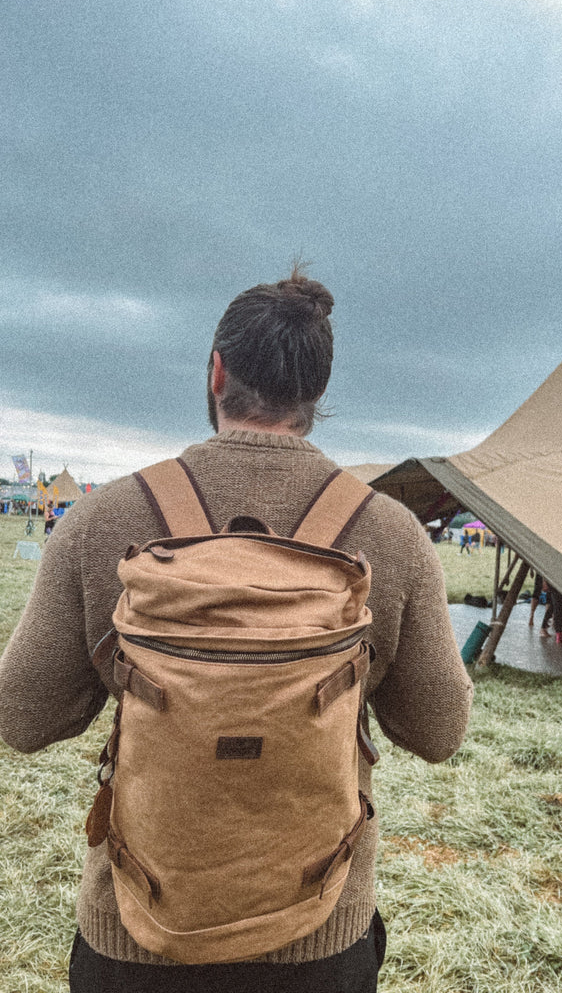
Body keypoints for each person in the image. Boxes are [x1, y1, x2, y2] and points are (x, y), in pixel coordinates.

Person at [0, 269, 474, 993]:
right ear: (316, 394)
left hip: (135, 937)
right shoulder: (391, 534)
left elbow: (24, 717)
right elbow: (439, 730)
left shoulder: (103, 521)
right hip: (321, 938)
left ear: (217, 371)